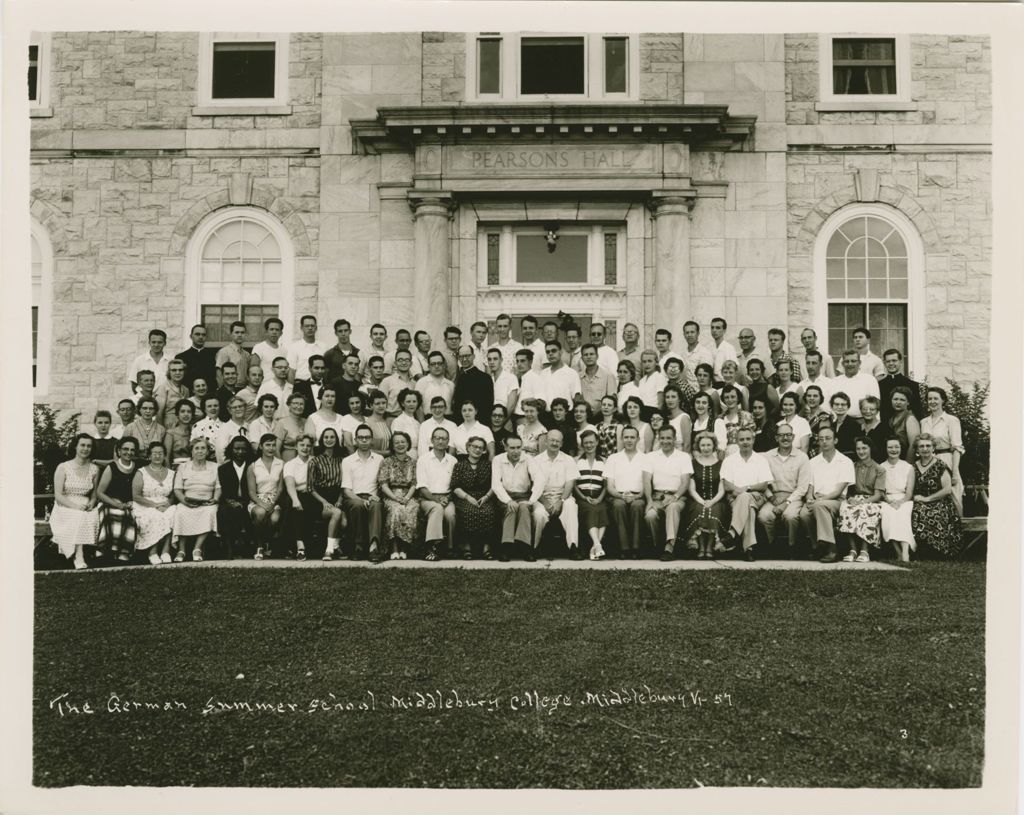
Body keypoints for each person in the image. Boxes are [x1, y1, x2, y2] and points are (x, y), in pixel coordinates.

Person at [800, 426, 855, 563]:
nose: (824, 442)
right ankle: (817, 547)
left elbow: (838, 491)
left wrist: (820, 500)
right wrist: (809, 497)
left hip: (837, 500)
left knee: (820, 506)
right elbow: (810, 485)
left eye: (828, 438)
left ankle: (832, 549)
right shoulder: (812, 462)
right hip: (817, 498)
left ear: (835, 440)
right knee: (804, 514)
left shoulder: (845, 461)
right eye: (821, 439)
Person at [719, 427, 772, 561]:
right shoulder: (729, 460)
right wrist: (740, 492)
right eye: (742, 439)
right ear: (737, 441)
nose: (745, 442)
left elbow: (764, 485)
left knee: (745, 497)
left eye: (748, 439)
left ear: (753, 440)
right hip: (734, 497)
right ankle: (748, 549)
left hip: (757, 496)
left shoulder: (761, 460)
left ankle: (732, 532)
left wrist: (745, 489)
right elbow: (726, 485)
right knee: (749, 508)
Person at [758, 423, 810, 557]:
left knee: (790, 516)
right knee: (764, 516)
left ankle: (792, 547)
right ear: (776, 438)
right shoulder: (767, 457)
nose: (785, 438)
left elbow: (803, 487)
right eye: (781, 435)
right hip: (772, 496)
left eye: (788, 435)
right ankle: (772, 546)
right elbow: (762, 481)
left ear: (793, 437)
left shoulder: (802, 457)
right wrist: (771, 497)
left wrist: (786, 503)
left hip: (793, 497)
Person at [526, 429, 580, 560]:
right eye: (552, 440)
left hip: (563, 496)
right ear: (546, 441)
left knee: (571, 507)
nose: (554, 443)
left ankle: (573, 547)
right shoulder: (536, 460)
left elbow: (569, 484)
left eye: (558, 441)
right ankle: (535, 548)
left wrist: (560, 501)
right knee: (539, 514)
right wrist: (546, 503)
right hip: (541, 497)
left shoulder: (568, 460)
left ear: (561, 444)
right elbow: (534, 486)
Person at [50, 433, 101, 569]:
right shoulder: (63, 467)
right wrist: (75, 506)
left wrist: (91, 503)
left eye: (89, 446)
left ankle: (93, 554)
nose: (85, 449)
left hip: (85, 503)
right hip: (64, 505)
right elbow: (58, 495)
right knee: (79, 516)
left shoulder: (95, 469)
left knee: (94, 516)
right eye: (82, 445)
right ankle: (78, 556)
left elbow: (95, 494)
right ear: (75, 447)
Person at [643, 425, 692, 560]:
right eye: (662, 438)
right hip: (657, 497)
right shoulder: (650, 457)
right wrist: (649, 501)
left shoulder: (683, 457)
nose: (665, 441)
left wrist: (675, 497)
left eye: (669, 438)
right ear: (658, 439)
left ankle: (670, 547)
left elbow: (685, 482)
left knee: (672, 507)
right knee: (650, 516)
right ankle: (657, 546)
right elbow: (646, 480)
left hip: (677, 496)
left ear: (675, 439)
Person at [910, 434, 963, 557]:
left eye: (928, 446)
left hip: (940, 501)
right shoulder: (913, 467)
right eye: (921, 446)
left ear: (934, 448)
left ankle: (938, 551)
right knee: (916, 511)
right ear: (917, 450)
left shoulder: (940, 465)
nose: (925, 449)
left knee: (931, 513)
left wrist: (927, 499)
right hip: (920, 501)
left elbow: (947, 489)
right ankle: (921, 550)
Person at [681, 431, 729, 559]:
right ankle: (700, 547)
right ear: (698, 446)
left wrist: (711, 501)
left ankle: (710, 547)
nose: (706, 448)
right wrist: (702, 501)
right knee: (700, 509)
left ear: (714, 446)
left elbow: (722, 489)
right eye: (703, 445)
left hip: (717, 499)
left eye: (709, 445)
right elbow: (691, 489)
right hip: (697, 499)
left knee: (713, 509)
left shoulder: (721, 463)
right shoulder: (692, 463)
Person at [837, 437, 886, 562]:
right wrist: (849, 499)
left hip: (872, 500)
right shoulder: (852, 466)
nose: (861, 451)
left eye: (864, 448)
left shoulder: (879, 469)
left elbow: (878, 494)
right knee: (846, 508)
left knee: (865, 510)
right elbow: (847, 489)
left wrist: (863, 502)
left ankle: (864, 551)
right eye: (858, 449)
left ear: (870, 449)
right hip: (854, 499)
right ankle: (853, 550)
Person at [172, 437, 220, 562]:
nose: (200, 451)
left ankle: (197, 548)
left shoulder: (215, 467)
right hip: (187, 501)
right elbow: (177, 489)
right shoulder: (183, 467)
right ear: (191, 451)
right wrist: (184, 501)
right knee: (180, 512)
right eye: (196, 448)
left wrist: (215, 499)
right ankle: (181, 550)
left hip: (207, 502)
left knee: (210, 512)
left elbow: (219, 487)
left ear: (208, 451)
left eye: (203, 448)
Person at [342, 424, 385, 561]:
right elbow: (346, 490)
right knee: (358, 505)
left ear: (372, 439)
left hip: (373, 496)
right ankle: (358, 547)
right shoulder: (347, 461)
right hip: (353, 497)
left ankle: (373, 547)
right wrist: (361, 500)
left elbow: (382, 484)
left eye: (367, 437)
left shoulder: (379, 459)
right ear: (355, 440)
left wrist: (376, 497)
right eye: (361, 437)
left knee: (376, 506)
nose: (364, 440)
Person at [130, 441, 177, 565]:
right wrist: (155, 505)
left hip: (165, 504)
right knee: (154, 515)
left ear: (165, 455)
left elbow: (173, 494)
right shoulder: (141, 472)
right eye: (154, 453)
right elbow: (136, 496)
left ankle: (166, 551)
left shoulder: (172, 473)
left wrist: (167, 504)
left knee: (173, 513)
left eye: (160, 453)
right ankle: (153, 551)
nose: (157, 456)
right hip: (144, 505)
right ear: (149, 456)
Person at [920, 386, 965, 516]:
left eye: (936, 398)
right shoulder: (924, 422)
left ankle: (959, 531)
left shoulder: (951, 420)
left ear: (943, 401)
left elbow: (957, 447)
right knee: (932, 497)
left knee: (953, 496)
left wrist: (955, 472)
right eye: (929, 399)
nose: (932, 401)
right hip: (928, 462)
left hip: (947, 460)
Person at [95, 436, 140, 562]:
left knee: (129, 515)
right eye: (125, 449)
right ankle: (105, 551)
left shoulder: (138, 467)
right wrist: (116, 504)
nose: (129, 452)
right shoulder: (111, 467)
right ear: (119, 451)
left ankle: (123, 553)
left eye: (132, 450)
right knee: (112, 514)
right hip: (109, 501)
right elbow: (100, 493)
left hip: (130, 503)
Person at [376, 430, 419, 560]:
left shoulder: (414, 462)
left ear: (408, 444)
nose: (400, 444)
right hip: (391, 494)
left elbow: (414, 483)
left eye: (403, 442)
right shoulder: (386, 462)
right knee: (396, 509)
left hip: (409, 495)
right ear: (392, 445)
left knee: (412, 509)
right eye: (396, 442)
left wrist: (406, 498)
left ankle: (404, 548)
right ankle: (394, 548)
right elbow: (383, 484)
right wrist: (395, 498)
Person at [417, 427, 458, 561]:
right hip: (427, 498)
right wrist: (436, 499)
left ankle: (450, 548)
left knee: (450, 514)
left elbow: (455, 485)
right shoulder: (423, 459)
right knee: (437, 508)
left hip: (447, 497)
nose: (440, 441)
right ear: (432, 440)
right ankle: (431, 547)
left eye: (444, 438)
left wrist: (447, 498)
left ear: (448, 441)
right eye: (437, 438)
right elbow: (422, 487)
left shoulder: (453, 461)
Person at [604, 426, 646, 558]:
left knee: (637, 506)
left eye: (632, 437)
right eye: (626, 437)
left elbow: (647, 483)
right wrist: (621, 495)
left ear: (638, 439)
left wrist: (638, 496)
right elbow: (609, 486)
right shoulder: (613, 458)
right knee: (618, 505)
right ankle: (624, 548)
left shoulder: (645, 458)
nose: (629, 440)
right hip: (617, 495)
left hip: (638, 495)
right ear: (621, 439)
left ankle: (636, 548)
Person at [305, 428, 347, 560]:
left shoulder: (342, 460)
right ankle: (328, 550)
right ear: (322, 440)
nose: (329, 440)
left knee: (344, 522)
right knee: (337, 513)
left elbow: (344, 483)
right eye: (326, 437)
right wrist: (324, 502)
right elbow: (310, 488)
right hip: (319, 499)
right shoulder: (314, 461)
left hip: (337, 496)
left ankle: (335, 546)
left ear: (336, 440)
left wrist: (340, 499)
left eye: (332, 437)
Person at [491, 436, 535, 562]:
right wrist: (508, 500)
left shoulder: (528, 459)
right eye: (512, 448)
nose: (516, 451)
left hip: (524, 496)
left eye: (518, 447)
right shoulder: (498, 459)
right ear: (505, 448)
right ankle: (506, 547)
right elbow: (496, 484)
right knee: (512, 508)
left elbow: (540, 480)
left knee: (524, 508)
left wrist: (531, 500)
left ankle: (525, 547)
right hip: (505, 495)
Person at [451, 436, 496, 559]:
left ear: (484, 450)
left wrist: (486, 497)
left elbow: (495, 484)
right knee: (468, 511)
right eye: (474, 446)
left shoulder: (489, 465)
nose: (477, 450)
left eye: (481, 447)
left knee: (488, 512)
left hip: (485, 496)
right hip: (464, 497)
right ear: (468, 447)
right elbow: (455, 486)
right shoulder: (459, 465)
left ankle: (486, 547)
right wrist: (467, 497)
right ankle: (466, 547)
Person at [247, 433, 284, 560]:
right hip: (257, 500)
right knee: (261, 513)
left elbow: (280, 488)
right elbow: (251, 492)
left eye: (274, 445)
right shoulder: (253, 466)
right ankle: (259, 546)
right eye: (268, 445)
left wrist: (272, 503)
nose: (271, 448)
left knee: (274, 519)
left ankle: (268, 543)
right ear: (261, 447)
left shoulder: (281, 464)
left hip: (275, 499)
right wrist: (262, 504)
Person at [282, 434, 319, 560]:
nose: (305, 448)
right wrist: (295, 500)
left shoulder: (316, 461)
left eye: (308, 445)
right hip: (296, 494)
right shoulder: (290, 464)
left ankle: (296, 546)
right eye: (302, 445)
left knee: (306, 504)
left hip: (313, 495)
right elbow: (290, 484)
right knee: (294, 506)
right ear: (296, 447)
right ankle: (300, 546)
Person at [879, 438, 916, 563]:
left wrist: (900, 502)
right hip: (887, 499)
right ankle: (898, 552)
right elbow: (881, 491)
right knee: (888, 514)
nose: (893, 450)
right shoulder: (881, 467)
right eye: (890, 447)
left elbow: (909, 493)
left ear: (901, 449)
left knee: (902, 514)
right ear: (885, 449)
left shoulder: (908, 467)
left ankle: (905, 553)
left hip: (904, 499)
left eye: (896, 447)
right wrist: (889, 502)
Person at [573, 429, 608, 560]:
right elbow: (574, 484)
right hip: (582, 496)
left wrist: (599, 498)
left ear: (597, 442)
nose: (589, 445)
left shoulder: (604, 461)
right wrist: (583, 497)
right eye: (586, 442)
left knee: (602, 509)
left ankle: (595, 547)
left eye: (591, 442)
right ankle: (598, 544)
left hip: (599, 496)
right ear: (582, 444)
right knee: (590, 509)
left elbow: (606, 485)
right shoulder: (576, 461)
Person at [217, 435, 252, 560]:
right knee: (225, 511)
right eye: (237, 449)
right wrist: (231, 502)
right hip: (229, 501)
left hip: (249, 500)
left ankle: (248, 547)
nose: (240, 452)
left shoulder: (252, 467)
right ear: (231, 449)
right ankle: (229, 548)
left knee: (247, 511)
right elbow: (222, 491)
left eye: (243, 449)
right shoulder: (223, 469)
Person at [451, 344, 494, 421]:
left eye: (467, 356)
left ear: (473, 356)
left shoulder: (484, 378)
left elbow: (487, 406)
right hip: (461, 424)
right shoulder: (460, 376)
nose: (464, 359)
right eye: (461, 357)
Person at [879, 348, 923, 420]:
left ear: (900, 362)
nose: (891, 363)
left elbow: (917, 411)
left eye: (894, 361)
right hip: (884, 426)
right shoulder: (879, 385)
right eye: (888, 361)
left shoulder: (912, 385)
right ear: (884, 363)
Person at [834, 350, 880, 418]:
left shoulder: (870, 380)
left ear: (859, 363)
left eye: (853, 361)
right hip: (841, 421)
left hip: (863, 422)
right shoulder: (835, 381)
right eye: (847, 361)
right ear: (843, 364)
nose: (850, 364)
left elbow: (876, 405)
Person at [175, 324, 218, 392]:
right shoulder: (181, 357)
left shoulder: (213, 355)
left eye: (203, 335)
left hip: (209, 394)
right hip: (188, 394)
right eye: (197, 334)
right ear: (191, 336)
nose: (201, 337)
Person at [123, 396, 165, 466]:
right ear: (139, 409)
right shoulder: (130, 427)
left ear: (155, 410)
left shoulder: (161, 429)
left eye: (151, 408)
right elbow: (122, 448)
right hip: (134, 464)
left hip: (155, 464)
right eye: (144, 408)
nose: (148, 411)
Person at [127, 328, 169, 395]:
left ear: (165, 343)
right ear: (149, 342)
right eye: (153, 342)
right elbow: (134, 384)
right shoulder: (139, 360)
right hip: (145, 402)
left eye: (160, 342)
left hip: (165, 400)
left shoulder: (170, 361)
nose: (156, 345)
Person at [292, 315, 331, 383]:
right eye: (307, 326)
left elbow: (327, 370)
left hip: (320, 385)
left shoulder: (324, 347)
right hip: (301, 385)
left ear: (316, 328)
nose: (310, 328)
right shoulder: (294, 347)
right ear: (301, 328)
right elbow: (291, 372)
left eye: (312, 326)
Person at [416, 351, 456, 418]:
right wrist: (422, 424)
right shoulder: (421, 383)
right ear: (428, 366)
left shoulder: (451, 384)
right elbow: (418, 407)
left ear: (444, 365)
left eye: (439, 363)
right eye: (433, 364)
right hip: (428, 420)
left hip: (448, 420)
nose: (436, 366)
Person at [305, 384, 346, 448]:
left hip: (338, 456)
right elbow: (308, 444)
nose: (330, 399)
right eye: (327, 396)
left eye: (333, 396)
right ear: (321, 398)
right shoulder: (313, 418)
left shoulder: (341, 418)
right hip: (318, 456)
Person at [719, 385, 755, 458]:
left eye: (733, 397)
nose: (730, 400)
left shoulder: (746, 416)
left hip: (743, 452)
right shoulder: (720, 418)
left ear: (738, 398)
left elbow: (751, 437)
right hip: (724, 454)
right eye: (726, 397)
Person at [887, 386, 921, 464]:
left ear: (908, 402)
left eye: (902, 400)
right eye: (895, 399)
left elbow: (913, 445)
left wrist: (907, 466)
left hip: (905, 460)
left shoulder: (910, 419)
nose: (898, 402)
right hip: (893, 459)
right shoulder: (891, 418)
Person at [381, 348, 418, 418]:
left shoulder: (414, 384)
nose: (404, 363)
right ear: (395, 363)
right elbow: (380, 406)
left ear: (411, 363)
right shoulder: (387, 381)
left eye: (407, 360)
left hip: (410, 420)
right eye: (400, 360)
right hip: (391, 419)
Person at [251, 316, 289, 382]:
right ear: (266, 331)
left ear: (281, 333)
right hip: (264, 387)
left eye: (277, 330)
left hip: (280, 388)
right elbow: (253, 370)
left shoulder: (284, 351)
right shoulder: (259, 348)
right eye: (271, 329)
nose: (274, 332)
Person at [155, 359, 191, 429]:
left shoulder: (186, 389)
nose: (177, 373)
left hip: (183, 427)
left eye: (180, 370)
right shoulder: (163, 388)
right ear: (169, 372)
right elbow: (159, 414)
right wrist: (161, 431)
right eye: (174, 370)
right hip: (168, 426)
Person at [214, 396, 250, 464]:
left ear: (245, 408)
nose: (238, 409)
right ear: (229, 410)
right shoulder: (225, 428)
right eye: (234, 407)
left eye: (240, 406)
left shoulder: (250, 427)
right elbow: (220, 453)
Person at [216, 321, 252, 388]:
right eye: (237, 332)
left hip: (243, 389)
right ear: (231, 334)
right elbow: (219, 375)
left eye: (242, 332)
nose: (240, 335)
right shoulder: (224, 352)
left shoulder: (246, 354)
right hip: (230, 388)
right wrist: (222, 392)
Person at [680, 321, 714, 391]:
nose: (689, 335)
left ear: (698, 333)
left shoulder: (705, 353)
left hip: (701, 394)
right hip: (687, 393)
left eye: (692, 332)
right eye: (687, 332)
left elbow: (707, 378)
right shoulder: (682, 354)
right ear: (684, 335)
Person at [513, 349, 544, 425]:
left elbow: (540, 402)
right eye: (517, 361)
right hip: (515, 417)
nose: (519, 364)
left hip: (526, 418)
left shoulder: (535, 378)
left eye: (522, 361)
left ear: (530, 362)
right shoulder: (518, 378)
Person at [391, 389, 423, 460]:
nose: (411, 404)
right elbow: (397, 444)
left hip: (418, 457)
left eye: (414, 401)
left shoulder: (417, 423)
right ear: (402, 403)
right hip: (404, 458)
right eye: (408, 401)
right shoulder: (398, 421)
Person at [802, 385, 832, 458]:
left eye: (815, 396)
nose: (811, 398)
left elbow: (824, 441)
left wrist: (819, 460)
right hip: (804, 453)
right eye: (809, 396)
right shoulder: (804, 417)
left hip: (817, 454)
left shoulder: (824, 416)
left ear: (820, 398)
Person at [278, 393, 309, 462]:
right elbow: (276, 449)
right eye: (295, 403)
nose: (298, 406)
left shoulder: (307, 422)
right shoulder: (281, 423)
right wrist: (281, 466)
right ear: (289, 405)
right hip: (287, 461)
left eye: (301, 404)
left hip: (305, 462)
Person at [636, 350, 667, 419]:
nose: (647, 364)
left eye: (650, 361)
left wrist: (656, 417)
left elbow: (661, 403)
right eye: (644, 362)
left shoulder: (660, 378)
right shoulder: (642, 381)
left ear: (656, 363)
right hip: (642, 413)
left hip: (654, 414)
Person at [663, 385, 693, 454]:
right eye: (667, 397)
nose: (670, 400)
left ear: (679, 399)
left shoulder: (684, 418)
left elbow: (687, 445)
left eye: (673, 397)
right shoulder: (665, 417)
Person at [830, 392, 860, 459]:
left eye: (843, 404)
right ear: (832, 406)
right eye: (836, 404)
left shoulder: (855, 425)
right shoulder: (832, 425)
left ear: (848, 407)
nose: (840, 407)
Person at [858, 396, 888, 463]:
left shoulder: (885, 429)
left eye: (872, 409)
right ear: (860, 410)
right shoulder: (857, 428)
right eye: (864, 409)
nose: (868, 411)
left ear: (877, 411)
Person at [709, 317, 739, 384]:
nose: (714, 330)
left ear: (724, 330)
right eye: (712, 327)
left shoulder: (729, 348)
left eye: (718, 328)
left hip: (724, 384)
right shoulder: (710, 348)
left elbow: (733, 369)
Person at [594, 394, 624, 459]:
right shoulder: (597, 426)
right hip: (600, 462)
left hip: (613, 462)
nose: (606, 407)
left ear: (615, 409)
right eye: (604, 405)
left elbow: (620, 452)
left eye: (609, 405)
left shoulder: (618, 427)